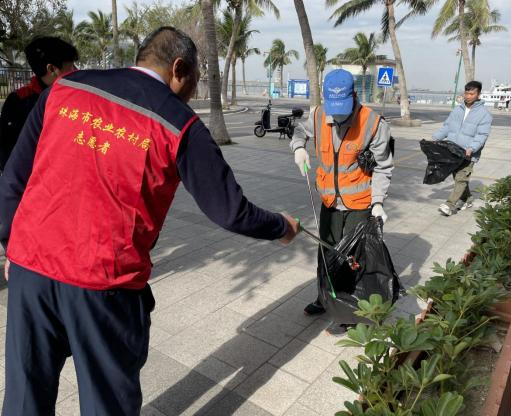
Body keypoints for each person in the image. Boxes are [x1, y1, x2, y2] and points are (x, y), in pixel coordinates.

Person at [0, 27, 299, 415]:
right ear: (179, 68)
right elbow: (230, 210)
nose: (193, 91)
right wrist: (281, 226)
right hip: (104, 284)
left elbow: (12, 178)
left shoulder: (66, 89)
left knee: (25, 397)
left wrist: (11, 246)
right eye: (195, 78)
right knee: (107, 402)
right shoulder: (179, 123)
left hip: (30, 271)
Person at [290, 69, 393, 333]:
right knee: (326, 253)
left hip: (359, 204)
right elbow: (299, 131)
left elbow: (383, 166)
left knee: (351, 257)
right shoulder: (318, 114)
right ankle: (324, 298)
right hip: (329, 204)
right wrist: (299, 147)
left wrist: (378, 202)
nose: (336, 116)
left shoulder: (373, 123)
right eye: (332, 108)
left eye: (342, 109)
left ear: (354, 96)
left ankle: (349, 310)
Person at [0, 36, 78, 172]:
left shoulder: (76, 95)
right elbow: (7, 152)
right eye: (71, 66)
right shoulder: (19, 102)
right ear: (52, 69)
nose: (76, 71)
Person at [432, 81, 492, 216]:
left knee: (461, 178)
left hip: (468, 153)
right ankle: (468, 199)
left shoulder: (484, 114)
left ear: (478, 94)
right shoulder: (457, 109)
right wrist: (436, 138)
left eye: (472, 93)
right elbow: (447, 126)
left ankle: (449, 204)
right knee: (458, 177)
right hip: (453, 150)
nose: (468, 96)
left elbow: (482, 135)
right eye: (466, 93)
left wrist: (472, 148)